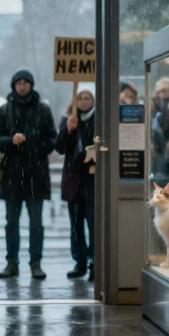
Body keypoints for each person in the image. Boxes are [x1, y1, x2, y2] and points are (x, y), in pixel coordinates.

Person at [0, 68, 57, 279]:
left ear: (31, 85)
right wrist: (11, 141)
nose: (22, 86)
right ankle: (12, 262)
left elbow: (52, 139)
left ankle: (36, 262)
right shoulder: (4, 110)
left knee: (36, 222)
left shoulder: (43, 110)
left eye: (25, 82)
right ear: (13, 86)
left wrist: (35, 144)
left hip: (36, 174)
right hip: (12, 174)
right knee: (12, 222)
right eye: (18, 83)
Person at [56, 87, 96, 279]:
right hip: (74, 180)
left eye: (87, 98)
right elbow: (60, 148)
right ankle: (79, 261)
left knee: (94, 223)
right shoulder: (68, 120)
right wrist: (68, 130)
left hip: (93, 179)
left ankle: (96, 261)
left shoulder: (99, 119)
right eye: (79, 98)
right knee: (76, 225)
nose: (83, 101)